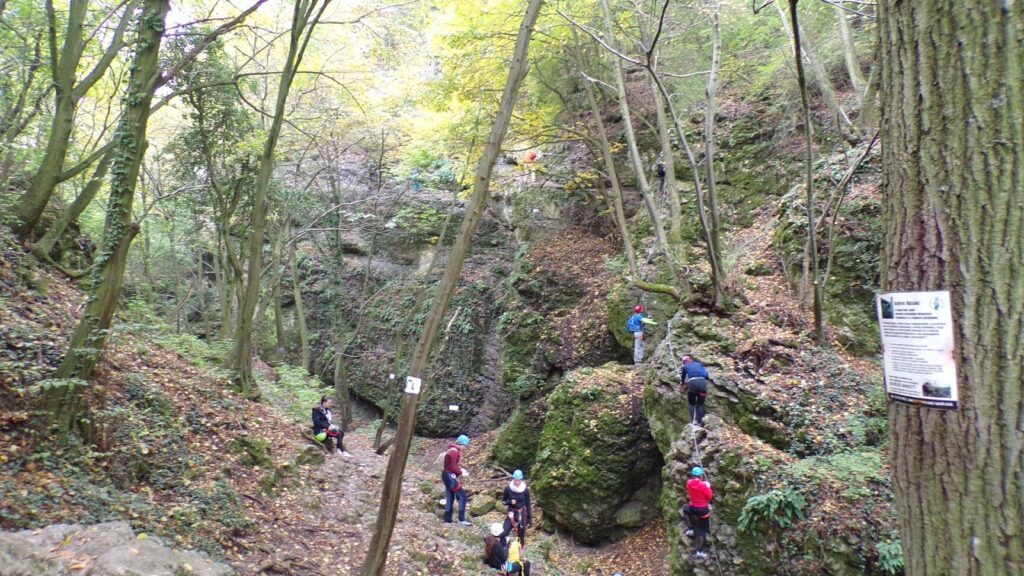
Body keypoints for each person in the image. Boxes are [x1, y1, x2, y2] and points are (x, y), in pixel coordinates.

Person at [684, 466, 713, 559]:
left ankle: (690, 529)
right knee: (702, 531)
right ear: (700, 475)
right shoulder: (703, 485)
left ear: (692, 475)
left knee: (685, 509)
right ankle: (699, 551)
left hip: (692, 507)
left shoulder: (688, 483)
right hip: (702, 510)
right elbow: (709, 497)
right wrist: (707, 487)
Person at [442, 434, 472, 525]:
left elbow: (451, 465)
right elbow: (452, 466)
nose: (465, 448)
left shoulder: (452, 450)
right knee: (462, 496)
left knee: (450, 497)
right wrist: (461, 472)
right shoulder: (454, 452)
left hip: (447, 476)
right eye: (465, 446)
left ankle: (447, 520)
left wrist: (459, 470)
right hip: (449, 476)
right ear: (461, 444)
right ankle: (461, 519)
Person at [501, 469, 533, 546]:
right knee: (504, 531)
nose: (516, 482)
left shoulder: (525, 490)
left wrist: (529, 518)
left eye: (518, 480)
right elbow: (503, 501)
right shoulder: (508, 489)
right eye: (515, 480)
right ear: (513, 479)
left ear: (521, 480)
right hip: (511, 513)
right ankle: (503, 546)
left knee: (521, 533)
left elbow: (528, 504)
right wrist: (509, 502)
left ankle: (521, 548)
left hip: (521, 513)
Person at [679, 355, 710, 428]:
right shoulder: (699, 364)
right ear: (691, 359)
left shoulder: (685, 367)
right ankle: (701, 423)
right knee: (700, 404)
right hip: (702, 383)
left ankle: (694, 421)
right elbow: (706, 374)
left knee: (692, 403)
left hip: (692, 383)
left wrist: (682, 383)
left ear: (684, 362)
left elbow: (682, 378)